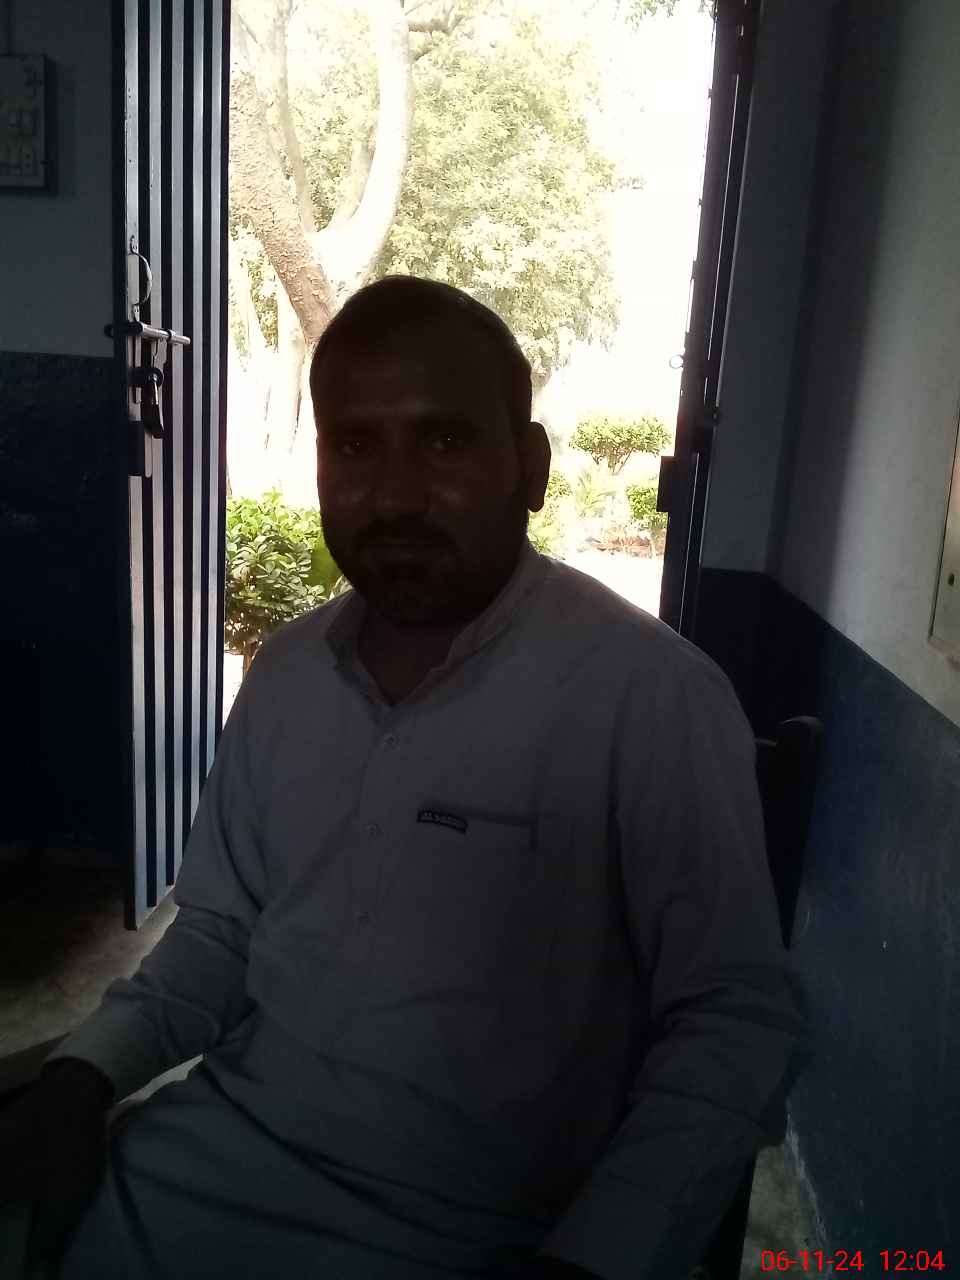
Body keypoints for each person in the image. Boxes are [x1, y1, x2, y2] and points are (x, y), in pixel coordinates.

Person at [0, 276, 812, 1280]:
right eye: (354, 445)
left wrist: (599, 1257)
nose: (393, 497)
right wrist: (84, 1073)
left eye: (445, 440)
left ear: (531, 466)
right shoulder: (288, 675)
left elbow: (733, 1021)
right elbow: (218, 932)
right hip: (205, 1164)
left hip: (478, 1234)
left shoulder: (649, 698)